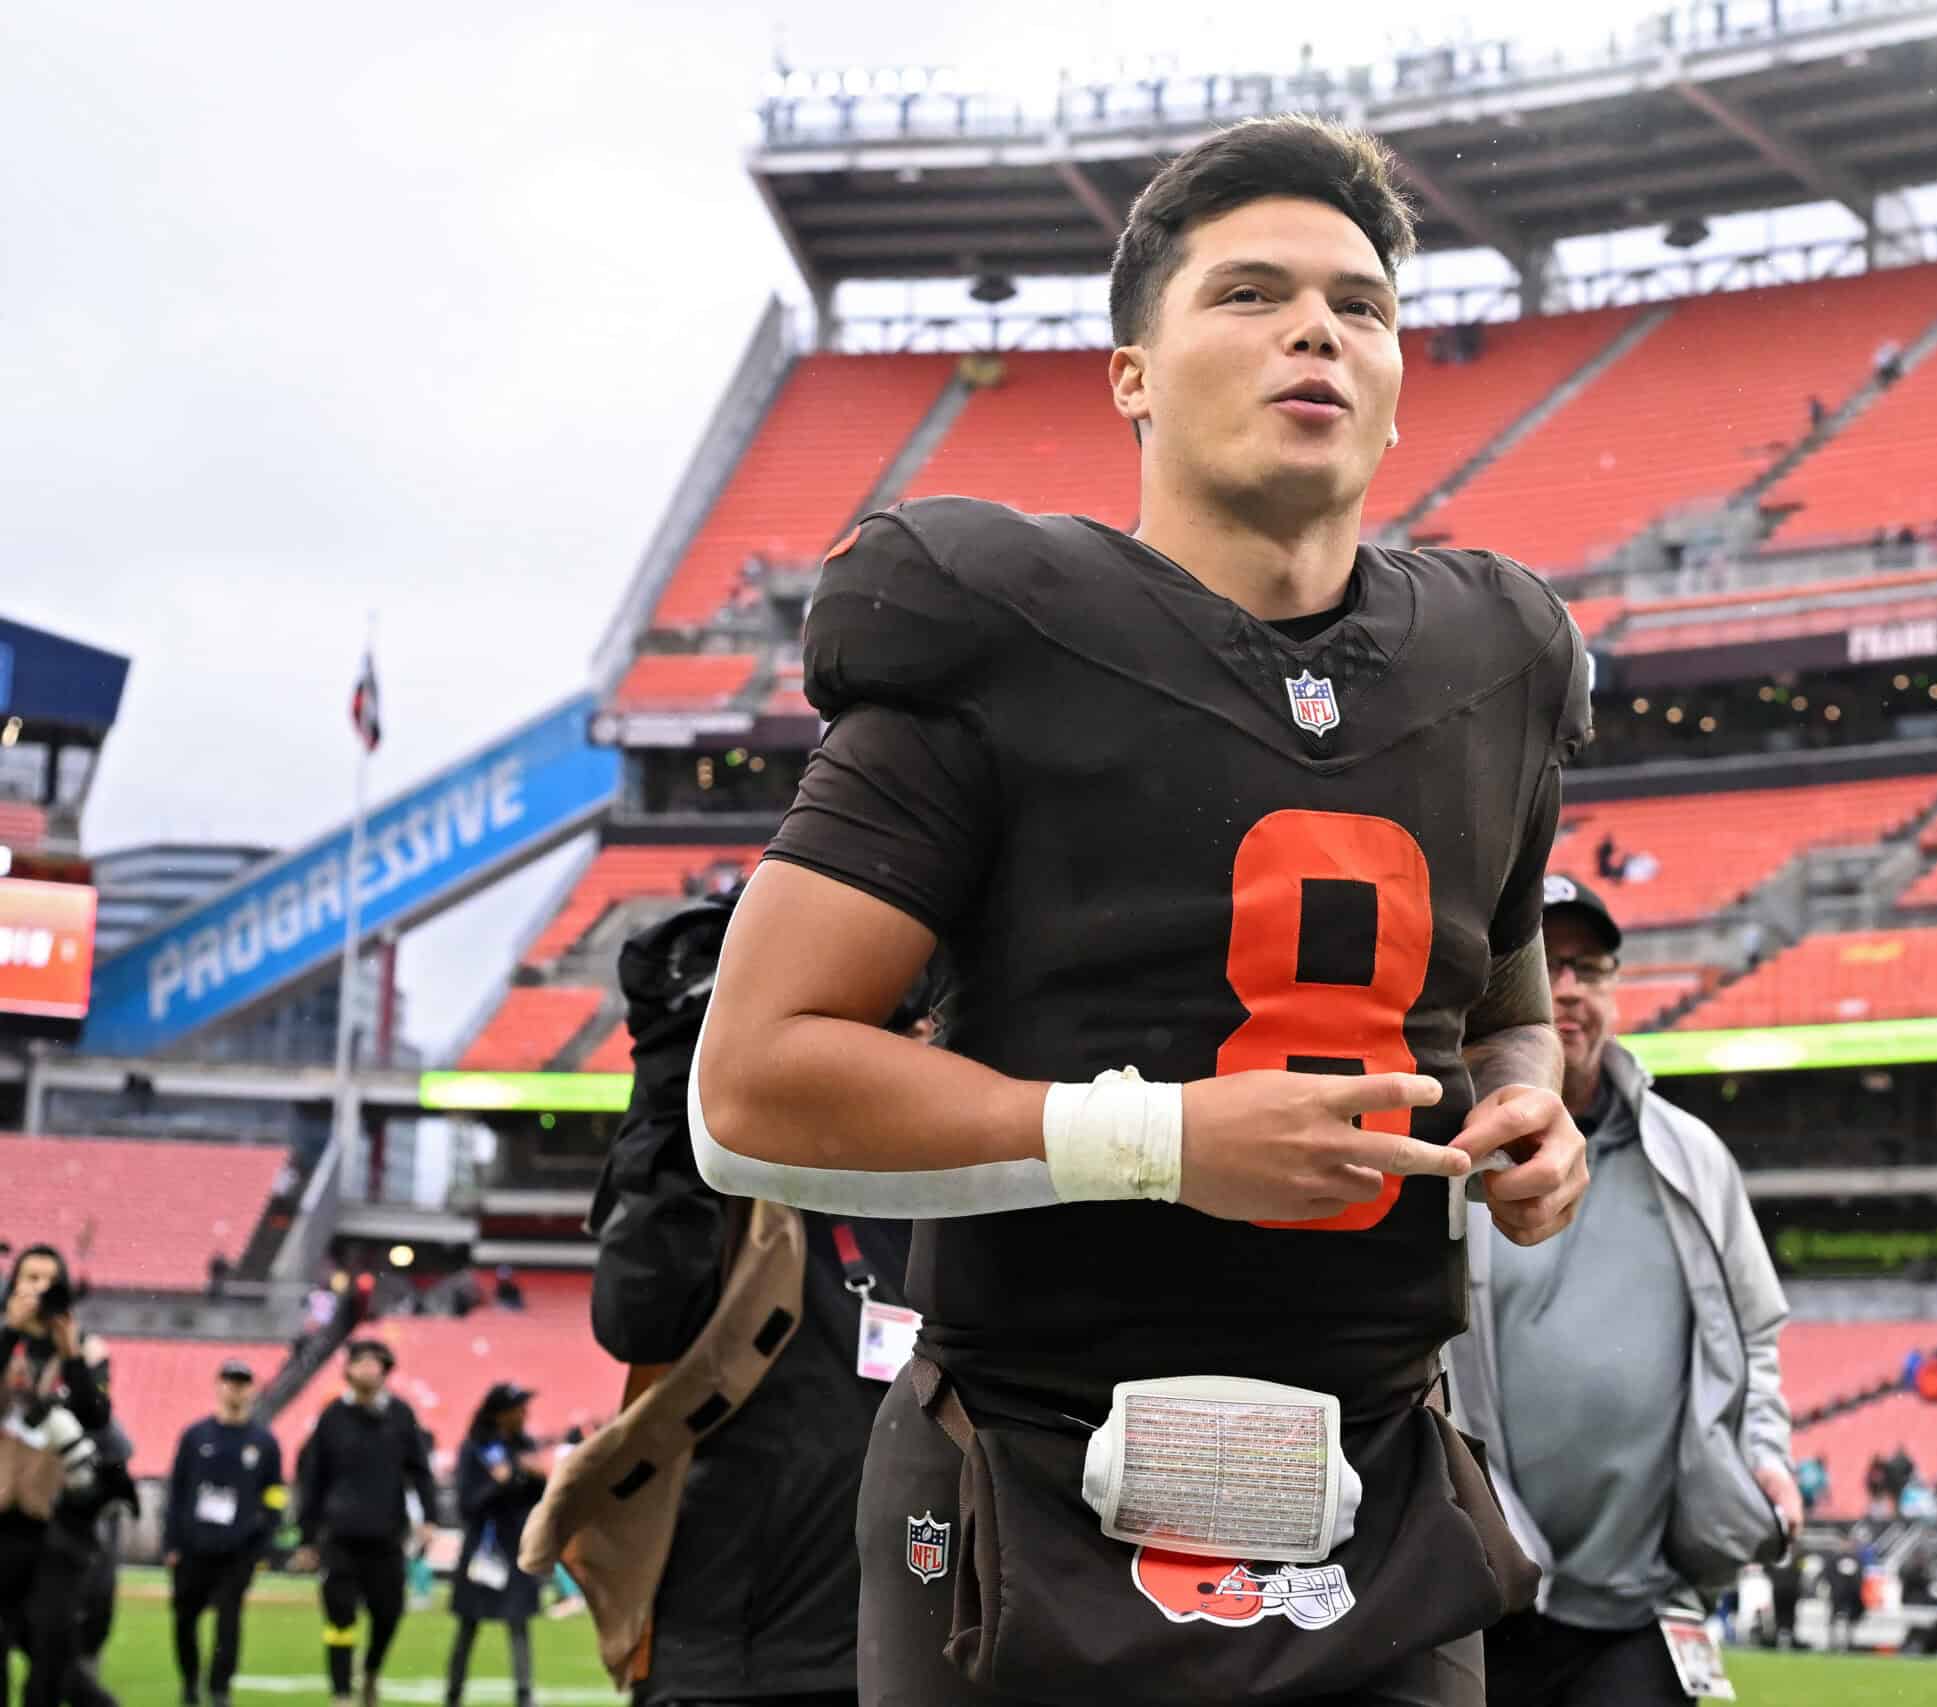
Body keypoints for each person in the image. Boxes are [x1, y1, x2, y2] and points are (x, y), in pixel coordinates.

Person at [689, 115, 1588, 1707]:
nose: (1317, 329)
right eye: (1249, 292)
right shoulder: (999, 623)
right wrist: (1159, 1139)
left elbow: (1504, 1004)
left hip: (1371, 1487)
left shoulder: (1496, 656)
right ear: (1131, 376)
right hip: (1031, 1471)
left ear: (1396, 382)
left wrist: (1531, 1105)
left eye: (1360, 305)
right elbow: (748, 1086)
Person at [526, 888, 917, 1701]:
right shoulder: (741, 1184)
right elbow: (638, 1315)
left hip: (896, 1651)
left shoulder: (944, 1192)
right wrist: (675, 1078)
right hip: (733, 1656)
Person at [1448, 877, 1797, 1707]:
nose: (1568, 988)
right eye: (1546, 963)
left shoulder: (1693, 1155)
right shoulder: (1453, 1152)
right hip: (1480, 1588)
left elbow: (1753, 1338)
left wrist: (1765, 1457)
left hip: (1637, 1603)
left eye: (1591, 967)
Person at [293, 1338, 437, 1707]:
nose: (369, 1368)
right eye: (361, 1361)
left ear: (386, 1371)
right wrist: (307, 1537)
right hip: (339, 1536)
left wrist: (430, 1517)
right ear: (348, 1369)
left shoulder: (401, 1416)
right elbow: (312, 1479)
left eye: (376, 1362)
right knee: (339, 1616)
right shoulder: (332, 1417)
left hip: (386, 1535)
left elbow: (420, 1470)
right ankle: (341, 1692)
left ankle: (371, 1670)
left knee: (388, 1613)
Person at [1, 1244, 116, 1707]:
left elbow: (96, 1417)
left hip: (58, 1524)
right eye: (31, 1278)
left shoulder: (86, 1348)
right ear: (13, 1285)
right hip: (3, 1515)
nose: (40, 1289)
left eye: (50, 1281)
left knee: (51, 1647)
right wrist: (10, 1331)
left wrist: (71, 1356)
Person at [166, 1358, 286, 1707]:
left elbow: (275, 1496)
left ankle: (220, 1688)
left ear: (252, 1389)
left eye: (243, 1383)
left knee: (229, 1619)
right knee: (185, 1618)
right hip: (194, 1546)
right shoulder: (195, 1436)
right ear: (218, 1386)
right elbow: (177, 1491)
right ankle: (190, 1682)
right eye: (230, 1381)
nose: (236, 1389)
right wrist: (172, 1542)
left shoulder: (264, 1442)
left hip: (238, 1549)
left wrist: (262, 1541)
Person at [444, 1382, 545, 1707]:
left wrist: (536, 1476)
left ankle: (524, 1695)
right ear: (500, 1413)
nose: (525, 1414)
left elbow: (535, 1499)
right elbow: (467, 1504)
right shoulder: (475, 1447)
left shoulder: (525, 1446)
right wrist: (501, 1481)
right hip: (482, 1549)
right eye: (519, 1408)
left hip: (517, 1548)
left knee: (519, 1622)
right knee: (468, 1624)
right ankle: (454, 1693)